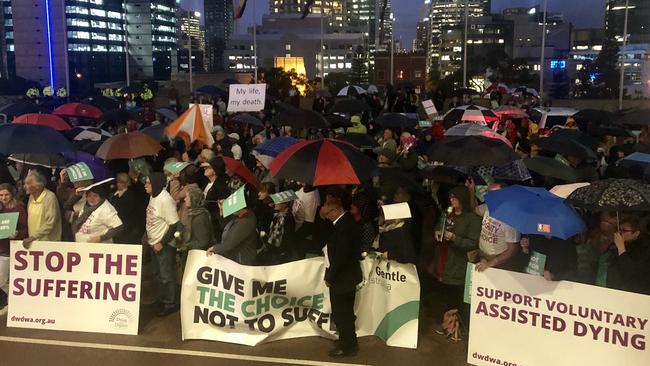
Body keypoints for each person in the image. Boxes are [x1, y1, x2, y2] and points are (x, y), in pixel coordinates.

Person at [434, 185, 481, 340]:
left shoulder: (472, 219)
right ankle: (449, 325)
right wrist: (438, 232)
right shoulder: (447, 214)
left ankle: (461, 329)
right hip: (445, 260)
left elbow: (473, 243)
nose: (452, 200)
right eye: (451, 197)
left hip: (459, 263)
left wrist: (454, 239)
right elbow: (439, 226)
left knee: (460, 299)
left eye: (455, 197)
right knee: (447, 296)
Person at [320, 189, 361, 357]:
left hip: (343, 278)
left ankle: (348, 346)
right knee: (344, 313)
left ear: (336, 210)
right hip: (346, 276)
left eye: (328, 214)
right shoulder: (346, 223)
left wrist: (330, 277)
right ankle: (347, 339)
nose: (327, 218)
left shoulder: (345, 227)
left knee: (342, 313)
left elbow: (341, 256)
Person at [144, 173, 181, 316]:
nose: (145, 185)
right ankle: (163, 298)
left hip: (163, 244)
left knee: (166, 275)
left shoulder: (165, 199)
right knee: (158, 274)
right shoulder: (153, 196)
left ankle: (170, 303)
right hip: (153, 242)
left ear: (156, 183)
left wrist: (162, 242)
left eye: (148, 182)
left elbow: (174, 224)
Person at [473, 183, 521, 272]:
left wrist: (489, 264)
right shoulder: (487, 207)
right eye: (488, 192)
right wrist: (471, 190)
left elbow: (512, 249)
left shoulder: (510, 218)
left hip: (499, 264)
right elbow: (474, 209)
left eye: (493, 194)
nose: (488, 196)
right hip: (483, 257)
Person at [0, 183, 28, 314]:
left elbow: (25, 230)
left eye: (6, 194)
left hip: (7, 250)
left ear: (12, 194)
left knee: (2, 281)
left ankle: (13, 303)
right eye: (1, 195)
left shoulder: (19, 208)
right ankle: (13, 302)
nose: (3, 197)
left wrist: (17, 234)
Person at [606, 216, 650, 295]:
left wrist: (621, 249)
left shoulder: (644, 250)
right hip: (613, 292)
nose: (620, 233)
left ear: (636, 233)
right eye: (619, 230)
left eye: (624, 231)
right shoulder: (617, 245)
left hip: (631, 295)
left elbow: (633, 275)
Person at [23, 170, 62, 248]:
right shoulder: (31, 197)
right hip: (33, 242)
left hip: (48, 243)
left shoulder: (49, 197)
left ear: (38, 185)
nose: (24, 186)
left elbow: (50, 223)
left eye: (28, 183)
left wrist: (33, 237)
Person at [179, 186, 213, 269]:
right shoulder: (194, 213)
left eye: (187, 197)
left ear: (194, 199)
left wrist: (185, 246)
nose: (185, 199)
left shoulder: (200, 217)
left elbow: (203, 242)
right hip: (191, 255)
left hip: (196, 259)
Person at [110, 173, 145, 244]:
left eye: (121, 182)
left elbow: (125, 211)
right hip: (117, 228)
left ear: (127, 183)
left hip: (128, 230)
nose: (119, 184)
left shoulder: (130, 195)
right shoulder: (115, 194)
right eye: (118, 182)